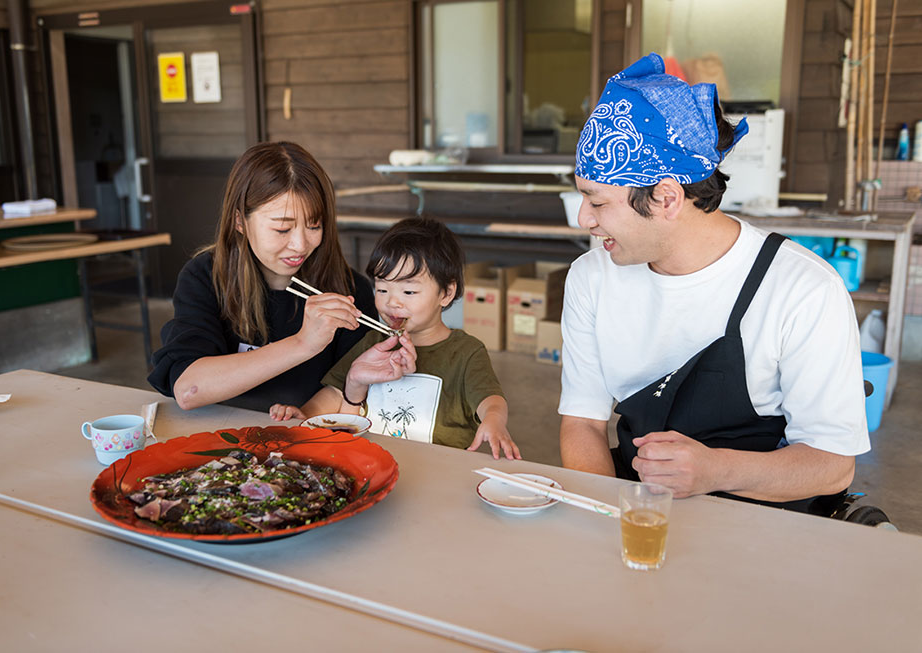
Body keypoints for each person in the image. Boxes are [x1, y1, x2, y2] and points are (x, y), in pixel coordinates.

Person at [559, 53, 869, 514]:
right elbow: (582, 424)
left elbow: (832, 464)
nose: (584, 219)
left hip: (767, 520)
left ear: (666, 198)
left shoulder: (802, 289)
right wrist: (619, 519)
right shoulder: (591, 278)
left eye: (597, 202)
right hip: (638, 507)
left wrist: (714, 471)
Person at [148, 141, 378, 412]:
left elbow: (350, 392)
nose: (301, 244)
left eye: (314, 225)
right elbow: (189, 389)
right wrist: (303, 343)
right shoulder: (206, 277)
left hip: (306, 439)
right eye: (282, 229)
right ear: (239, 221)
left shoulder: (347, 291)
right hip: (218, 435)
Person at [270, 217, 521, 460]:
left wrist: (494, 420)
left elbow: (491, 399)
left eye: (409, 290)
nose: (392, 302)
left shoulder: (466, 352)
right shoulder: (374, 342)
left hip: (437, 470)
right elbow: (337, 394)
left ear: (446, 293)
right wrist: (304, 416)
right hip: (373, 462)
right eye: (382, 289)